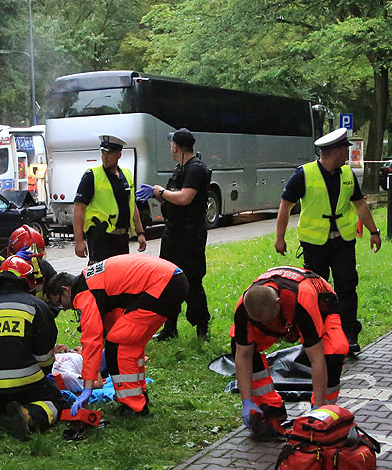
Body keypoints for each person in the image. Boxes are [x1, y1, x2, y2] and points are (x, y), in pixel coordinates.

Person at [275, 127, 382, 354]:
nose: (348, 153)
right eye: (345, 149)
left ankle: (348, 335)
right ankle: (318, 335)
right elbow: (285, 206)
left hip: (343, 242)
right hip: (314, 244)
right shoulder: (303, 175)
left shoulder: (347, 175)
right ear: (335, 151)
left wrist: (374, 231)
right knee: (315, 292)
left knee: (347, 287)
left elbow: (360, 204)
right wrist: (280, 238)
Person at [46, 254, 188, 416]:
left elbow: (92, 340)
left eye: (59, 303)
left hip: (163, 284)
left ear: (66, 290)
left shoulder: (84, 293)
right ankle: (137, 397)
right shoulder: (91, 282)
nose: (63, 309)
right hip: (170, 280)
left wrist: (87, 386)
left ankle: (134, 407)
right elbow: (116, 313)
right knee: (126, 343)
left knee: (119, 344)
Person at [231, 266, 349, 436]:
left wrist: (318, 409)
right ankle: (270, 407)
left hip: (320, 305)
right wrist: (246, 401)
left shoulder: (302, 302)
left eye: (268, 320)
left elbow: (316, 359)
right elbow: (243, 356)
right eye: (259, 322)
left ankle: (324, 411)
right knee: (239, 345)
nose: (265, 325)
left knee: (333, 355)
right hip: (280, 310)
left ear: (278, 303)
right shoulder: (245, 307)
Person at [0, 256, 67, 440]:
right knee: (56, 400)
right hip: (22, 382)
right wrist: (42, 380)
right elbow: (44, 359)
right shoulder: (36, 305)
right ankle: (28, 416)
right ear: (28, 281)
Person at [137, 128, 212, 341]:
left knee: (192, 281)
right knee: (168, 280)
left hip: (190, 235)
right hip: (173, 233)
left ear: (176, 147)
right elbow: (173, 199)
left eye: (171, 145)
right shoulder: (180, 169)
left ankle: (202, 329)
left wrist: (160, 191)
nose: (171, 148)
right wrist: (155, 194)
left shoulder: (196, 169)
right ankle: (169, 327)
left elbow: (185, 198)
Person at [73, 134, 147, 263]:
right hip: (101, 238)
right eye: (103, 153)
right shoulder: (92, 176)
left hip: (122, 238)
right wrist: (79, 241)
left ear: (119, 154)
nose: (105, 157)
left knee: (121, 277)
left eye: (109, 153)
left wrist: (140, 232)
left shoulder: (126, 174)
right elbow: (79, 209)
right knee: (102, 278)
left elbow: (132, 205)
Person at [0, 224, 56, 303]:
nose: (33, 265)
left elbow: (58, 289)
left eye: (37, 259)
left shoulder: (43, 266)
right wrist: (7, 264)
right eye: (27, 260)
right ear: (11, 253)